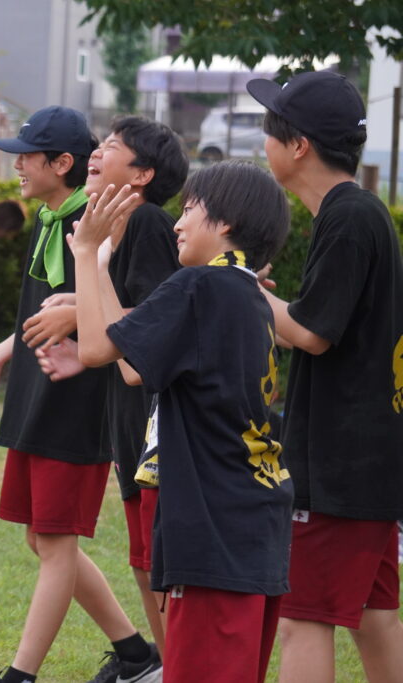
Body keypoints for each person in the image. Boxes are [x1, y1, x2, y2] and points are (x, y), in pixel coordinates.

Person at [71, 163, 292, 682]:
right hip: (253, 520)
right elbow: (130, 364)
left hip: (214, 525)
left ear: (227, 222)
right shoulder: (245, 295)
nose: (177, 222)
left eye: (190, 208)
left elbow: (98, 349)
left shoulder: (200, 285)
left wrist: (83, 252)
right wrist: (102, 268)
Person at [0, 106, 160, 683]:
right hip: (36, 392)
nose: (17, 165)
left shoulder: (98, 224)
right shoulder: (52, 218)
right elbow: (43, 312)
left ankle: (21, 675)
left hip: (79, 400)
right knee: (40, 536)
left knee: (54, 539)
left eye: (26, 155)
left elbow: (111, 317)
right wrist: (2, 351)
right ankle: (134, 653)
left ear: (62, 162)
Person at [246, 70, 403, 682]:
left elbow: (311, 331)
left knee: (303, 619)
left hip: (340, 465)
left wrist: (241, 287)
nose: (265, 144)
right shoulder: (357, 213)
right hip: (370, 459)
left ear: (298, 145)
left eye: (269, 131)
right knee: (373, 615)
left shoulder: (346, 217)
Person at [22, 115, 188, 661]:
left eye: (112, 148)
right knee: (144, 565)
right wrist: (80, 347)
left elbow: (160, 322)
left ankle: (176, 667)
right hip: (126, 419)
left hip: (156, 422)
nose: (96, 153)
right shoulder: (111, 229)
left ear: (142, 175)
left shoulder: (147, 227)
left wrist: (76, 312)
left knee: (158, 570)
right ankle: (163, 666)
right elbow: (117, 325)